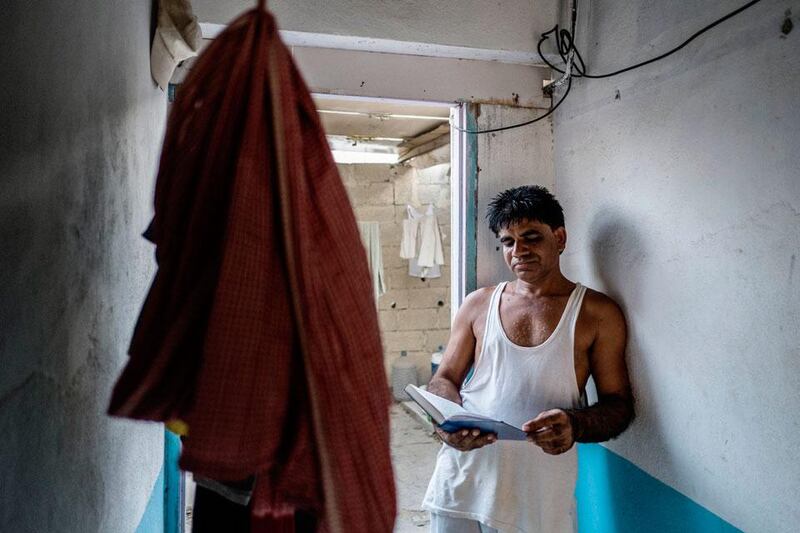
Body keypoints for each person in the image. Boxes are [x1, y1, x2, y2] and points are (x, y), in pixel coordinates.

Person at [422, 185, 634, 533]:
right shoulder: (478, 304)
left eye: (531, 237)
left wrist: (574, 425)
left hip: (538, 497)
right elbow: (444, 378)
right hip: (460, 484)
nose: (518, 251)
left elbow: (619, 405)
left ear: (559, 237)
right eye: (508, 241)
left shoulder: (596, 313)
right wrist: (446, 424)